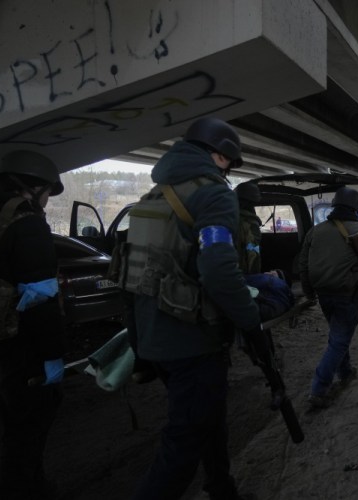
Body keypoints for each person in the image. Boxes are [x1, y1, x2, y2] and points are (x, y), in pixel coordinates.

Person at [121, 117, 262, 500]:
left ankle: (221, 487)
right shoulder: (212, 194)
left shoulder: (154, 197)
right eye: (230, 164)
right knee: (182, 443)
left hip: (154, 335)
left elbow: (130, 278)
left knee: (207, 419)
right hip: (193, 338)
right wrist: (252, 323)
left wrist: (139, 346)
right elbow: (218, 269)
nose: (229, 172)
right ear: (219, 156)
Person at [0, 150, 66, 500]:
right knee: (27, 427)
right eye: (48, 192)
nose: (48, 201)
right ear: (31, 188)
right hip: (19, 346)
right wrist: (52, 356)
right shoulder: (27, 225)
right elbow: (41, 300)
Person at [299, 186, 358, 408]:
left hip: (323, 293)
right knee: (339, 339)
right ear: (356, 208)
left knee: (338, 335)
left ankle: (346, 371)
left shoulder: (315, 231)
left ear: (333, 206)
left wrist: (309, 292)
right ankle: (318, 390)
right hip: (349, 294)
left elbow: (303, 264)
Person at [234, 181, 263, 274]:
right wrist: (255, 277)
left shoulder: (228, 217)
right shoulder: (250, 224)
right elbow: (253, 253)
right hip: (242, 276)